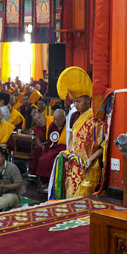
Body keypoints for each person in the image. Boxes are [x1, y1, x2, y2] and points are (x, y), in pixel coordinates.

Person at [51, 67, 104, 199]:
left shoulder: (96, 119)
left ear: (88, 100)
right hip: (74, 164)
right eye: (74, 101)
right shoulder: (75, 117)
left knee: (80, 200)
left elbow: (102, 145)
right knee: (69, 198)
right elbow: (72, 139)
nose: (76, 105)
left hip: (88, 166)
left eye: (79, 101)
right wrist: (68, 153)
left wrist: (90, 160)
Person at [33, 109, 68, 181]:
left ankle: (56, 181)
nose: (55, 122)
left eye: (58, 119)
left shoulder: (68, 125)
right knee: (42, 159)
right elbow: (49, 141)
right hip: (53, 148)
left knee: (56, 161)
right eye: (54, 119)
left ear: (64, 118)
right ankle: (45, 180)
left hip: (64, 148)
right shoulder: (52, 125)